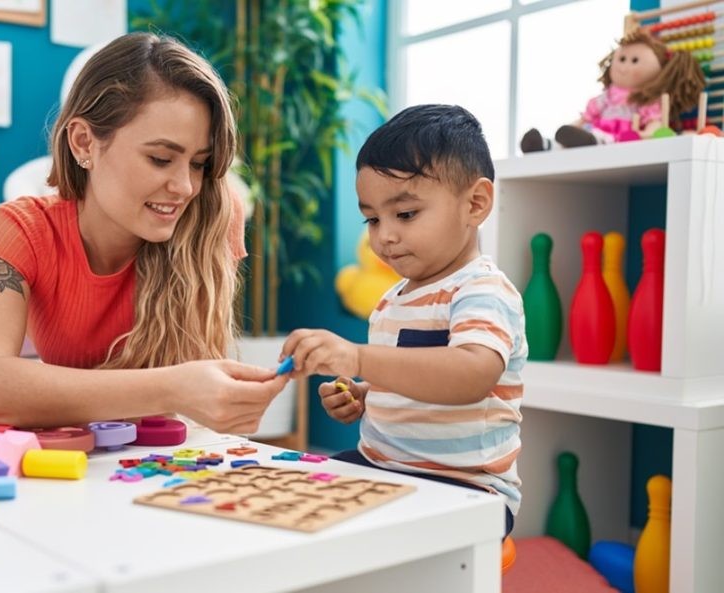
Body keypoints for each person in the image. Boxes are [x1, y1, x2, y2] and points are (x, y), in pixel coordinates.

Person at [0, 32, 288, 433]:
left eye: (199, 164)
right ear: (84, 142)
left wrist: (24, 398)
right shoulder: (20, 229)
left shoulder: (212, 219)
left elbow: (183, 411)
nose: (186, 187)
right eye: (160, 159)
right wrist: (173, 388)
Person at [280, 104, 527, 536]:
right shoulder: (394, 298)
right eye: (372, 219)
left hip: (465, 486)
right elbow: (409, 375)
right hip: (386, 466)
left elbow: (470, 374)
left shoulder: (482, 290)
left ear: (476, 203)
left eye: (405, 214)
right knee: (296, 497)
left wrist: (358, 358)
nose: (384, 235)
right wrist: (361, 394)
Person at [520, 29, 704, 151]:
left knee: (599, 139)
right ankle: (545, 144)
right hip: (593, 130)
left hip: (618, 138)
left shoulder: (646, 101)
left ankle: (584, 142)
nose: (625, 66)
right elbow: (586, 118)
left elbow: (654, 125)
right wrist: (568, 128)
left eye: (634, 61)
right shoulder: (607, 97)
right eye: (622, 59)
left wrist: (645, 135)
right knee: (572, 141)